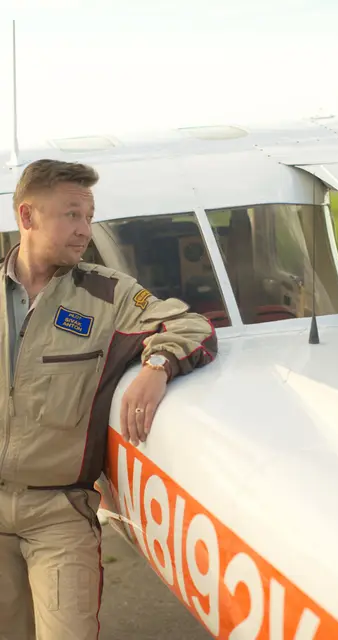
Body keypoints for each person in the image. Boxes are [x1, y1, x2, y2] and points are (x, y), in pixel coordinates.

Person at [0, 159, 218, 640]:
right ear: (28, 216)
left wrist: (157, 366)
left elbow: (190, 326)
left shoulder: (109, 294)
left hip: (58, 515)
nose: (85, 230)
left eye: (89, 216)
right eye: (72, 215)